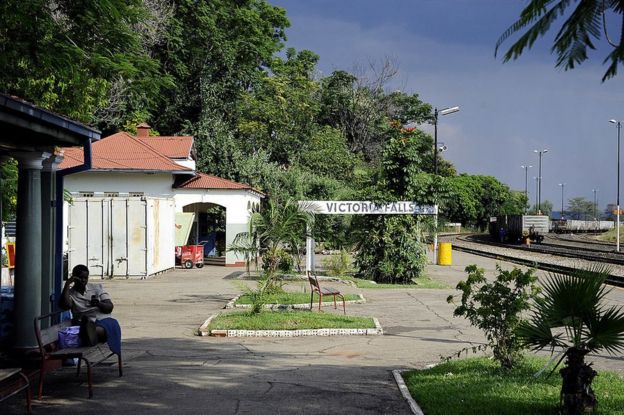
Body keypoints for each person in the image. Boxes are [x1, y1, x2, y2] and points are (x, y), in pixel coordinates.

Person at [59, 265, 121, 352]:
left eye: (85, 278)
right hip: (84, 322)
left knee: (111, 324)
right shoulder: (70, 294)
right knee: (87, 324)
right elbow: (65, 306)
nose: (83, 280)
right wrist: (67, 284)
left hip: (102, 319)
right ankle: (89, 333)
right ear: (74, 278)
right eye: (80, 278)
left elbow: (109, 307)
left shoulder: (96, 288)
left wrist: (98, 304)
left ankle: (91, 334)